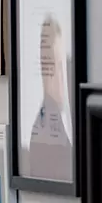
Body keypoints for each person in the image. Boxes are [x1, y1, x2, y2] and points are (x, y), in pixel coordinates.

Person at [26, 16, 72, 180]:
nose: (62, 79)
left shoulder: (70, 115)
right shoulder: (43, 136)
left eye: (63, 67)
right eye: (55, 68)